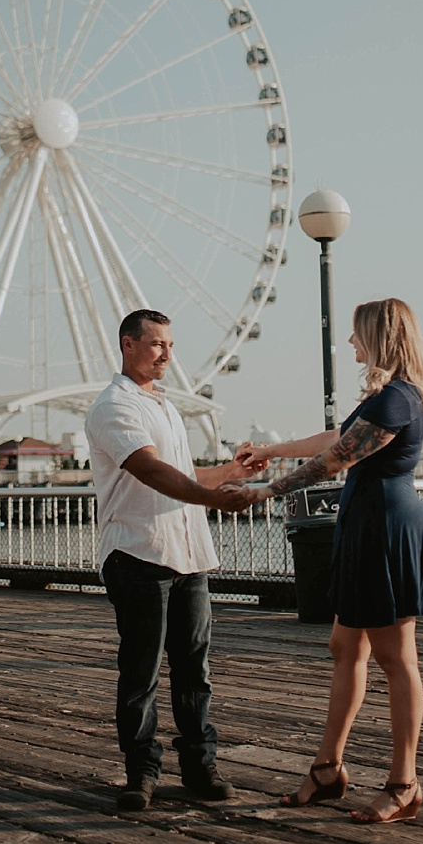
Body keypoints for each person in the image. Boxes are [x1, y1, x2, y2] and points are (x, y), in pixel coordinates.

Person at [237, 297, 423, 823]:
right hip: (365, 527)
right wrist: (272, 451)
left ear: (380, 336)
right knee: (345, 645)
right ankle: (327, 768)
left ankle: (404, 783)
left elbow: (340, 457)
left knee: (395, 656)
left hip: (386, 529)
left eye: (357, 334)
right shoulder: (384, 397)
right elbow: (334, 438)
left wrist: (268, 491)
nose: (349, 343)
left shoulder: (397, 400)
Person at [85, 308, 264, 811]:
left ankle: (198, 766)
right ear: (128, 344)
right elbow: (150, 471)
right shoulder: (112, 407)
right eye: (158, 344)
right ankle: (141, 771)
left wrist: (230, 472)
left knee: (194, 669)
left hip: (189, 555)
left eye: (170, 344)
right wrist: (215, 501)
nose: (168, 354)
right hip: (138, 552)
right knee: (141, 671)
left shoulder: (165, 406)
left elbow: (184, 473)